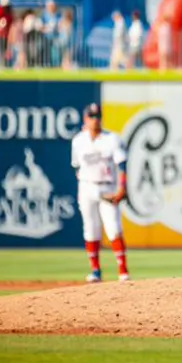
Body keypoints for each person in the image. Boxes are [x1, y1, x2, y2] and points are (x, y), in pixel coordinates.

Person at [71, 103, 130, 283]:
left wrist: (122, 187)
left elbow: (121, 164)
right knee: (90, 229)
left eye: (97, 116)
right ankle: (95, 271)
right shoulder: (78, 140)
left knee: (113, 228)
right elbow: (76, 166)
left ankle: (123, 271)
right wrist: (85, 184)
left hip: (107, 187)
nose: (94, 120)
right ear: (85, 119)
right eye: (91, 116)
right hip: (87, 186)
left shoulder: (112, 138)